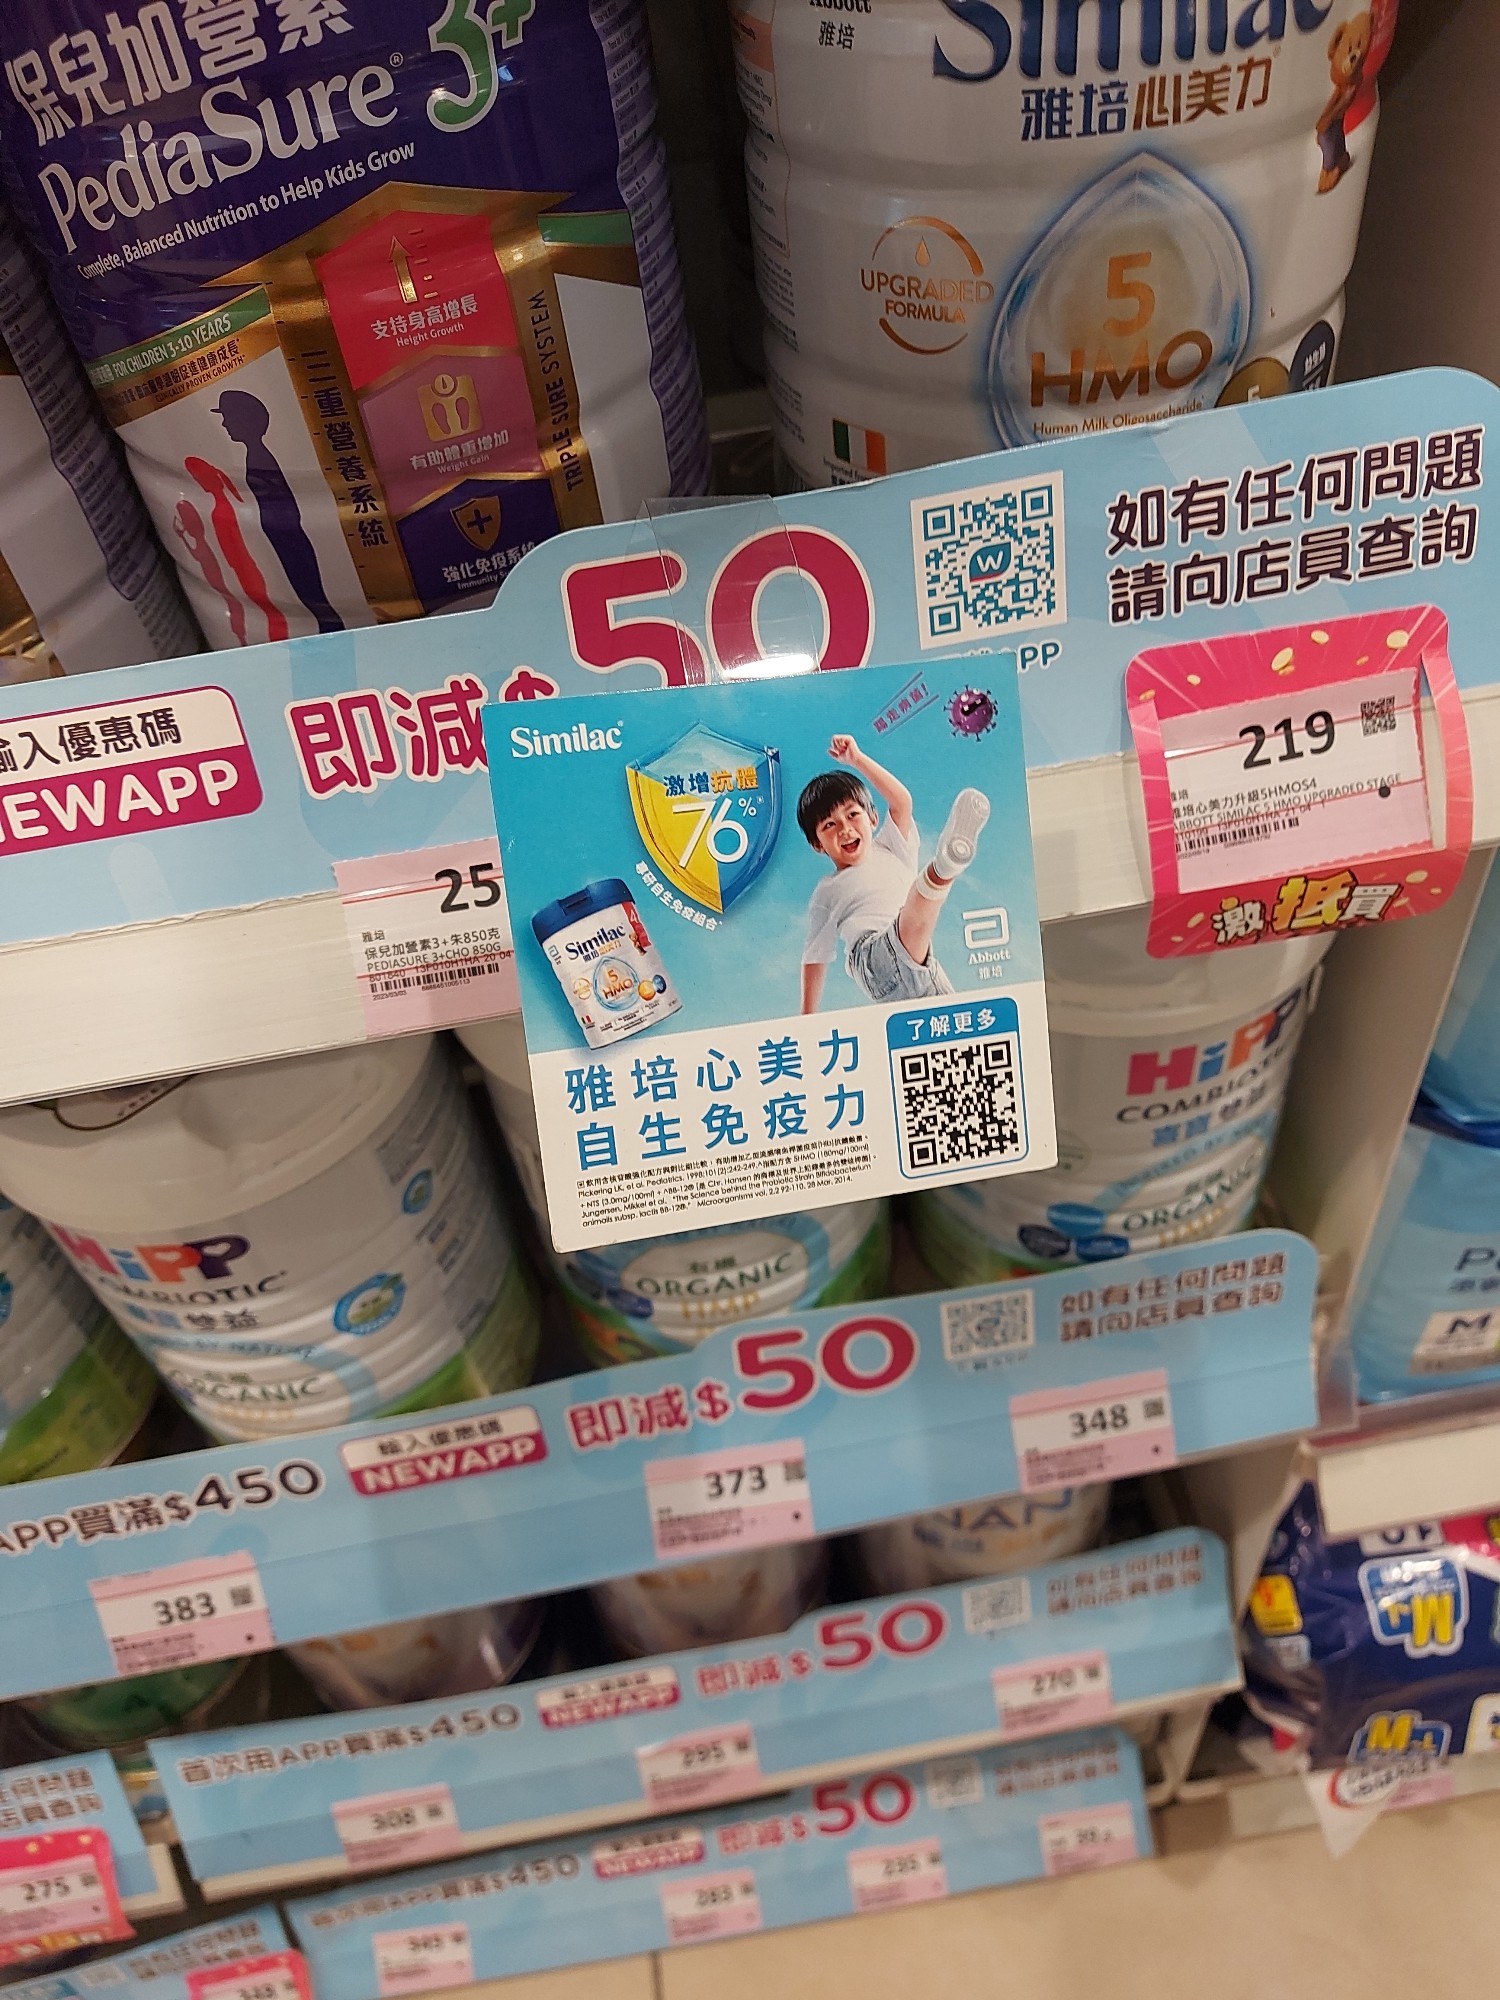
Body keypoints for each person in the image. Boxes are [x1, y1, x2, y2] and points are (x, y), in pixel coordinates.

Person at [799, 733, 989, 1012]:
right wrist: (807, 1017)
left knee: (951, 1013)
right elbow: (815, 956)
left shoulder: (891, 847)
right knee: (917, 909)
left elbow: (902, 802)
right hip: (873, 959)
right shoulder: (827, 889)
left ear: (873, 819)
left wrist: (857, 759)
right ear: (818, 844)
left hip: (920, 960)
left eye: (852, 815)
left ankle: (943, 869)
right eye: (830, 825)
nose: (845, 829)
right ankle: (943, 869)